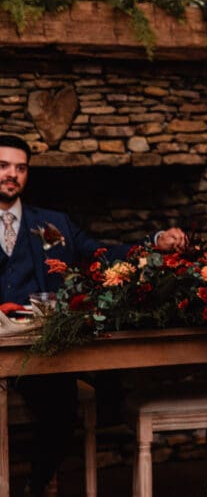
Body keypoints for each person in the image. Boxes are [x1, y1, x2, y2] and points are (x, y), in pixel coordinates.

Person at [0, 133, 187, 497]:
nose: (12, 174)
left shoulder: (51, 224)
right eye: (3, 166)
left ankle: (35, 485)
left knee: (63, 402)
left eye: (20, 168)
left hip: (40, 348)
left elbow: (100, 252)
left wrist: (155, 241)